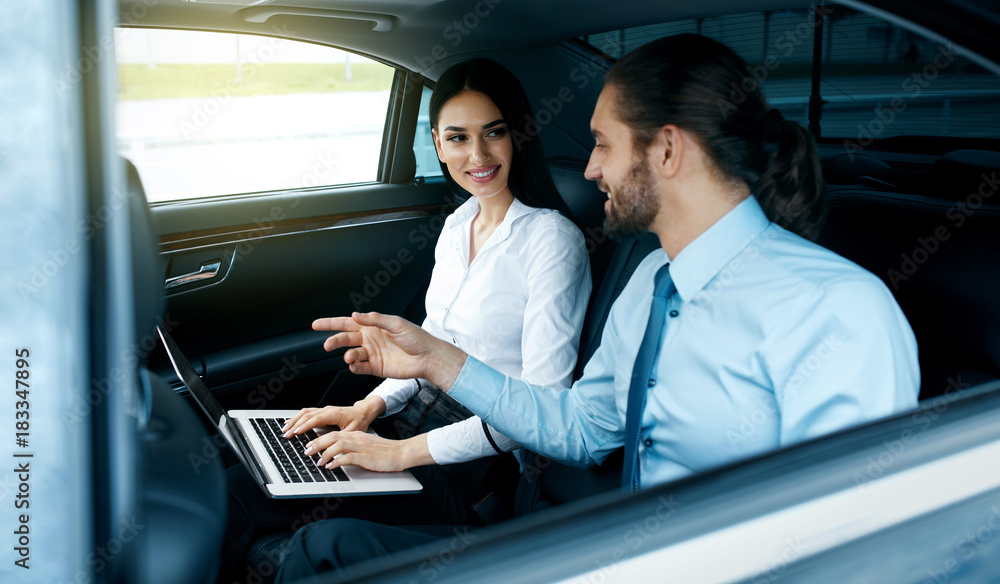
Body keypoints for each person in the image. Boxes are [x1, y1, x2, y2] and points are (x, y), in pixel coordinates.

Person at [273, 34, 921, 581]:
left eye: (604, 144)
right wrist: (436, 360)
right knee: (324, 548)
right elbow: (579, 430)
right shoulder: (650, 285)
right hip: (608, 553)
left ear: (667, 150)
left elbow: (853, 548)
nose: (588, 169)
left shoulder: (838, 310)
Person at [222, 59, 591, 577]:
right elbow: (428, 351)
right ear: (437, 144)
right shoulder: (458, 224)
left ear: (519, 135)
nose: (478, 156)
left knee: (311, 535)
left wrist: (399, 455)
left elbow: (538, 411)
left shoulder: (552, 240)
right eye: (458, 138)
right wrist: (367, 407)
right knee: (239, 486)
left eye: (494, 133)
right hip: (403, 432)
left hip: (470, 471)